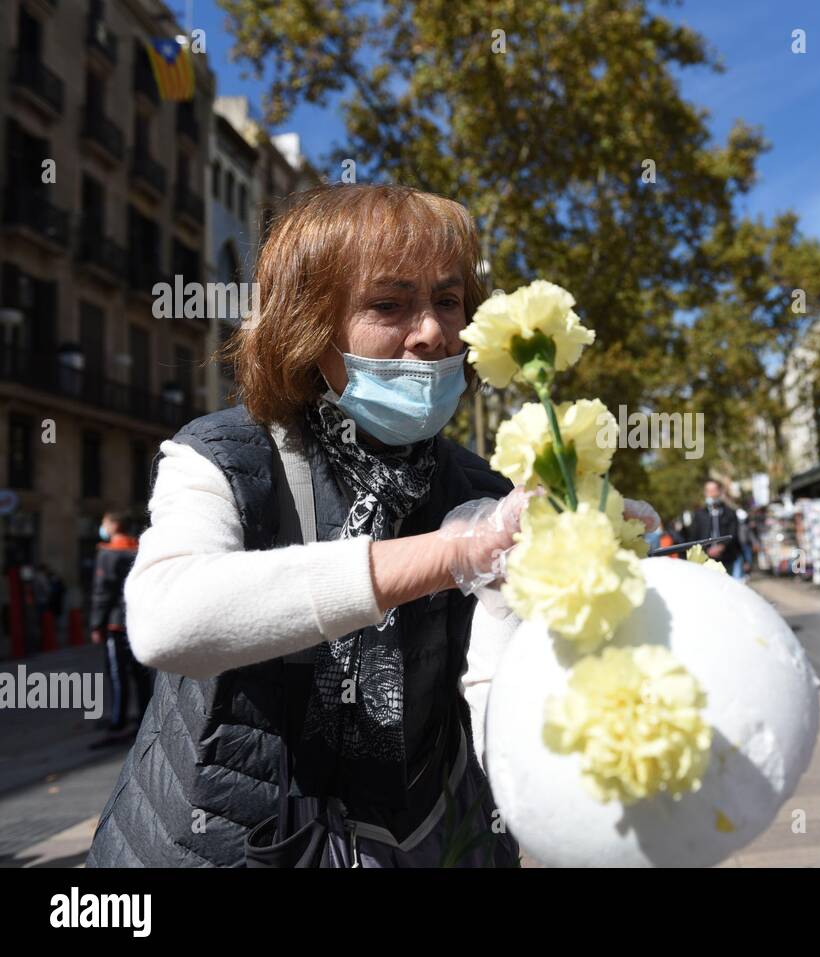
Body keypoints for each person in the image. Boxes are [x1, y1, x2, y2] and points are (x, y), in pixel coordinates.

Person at [85, 184, 656, 868]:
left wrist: (604, 585)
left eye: (447, 300)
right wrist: (449, 555)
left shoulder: (482, 490)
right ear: (309, 323)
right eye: (389, 304)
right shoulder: (218, 456)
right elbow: (168, 618)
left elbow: (494, 711)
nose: (432, 331)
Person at [89, 513, 149, 732]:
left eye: (104, 523)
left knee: (117, 673)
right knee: (140, 674)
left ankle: (118, 719)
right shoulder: (140, 548)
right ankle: (144, 716)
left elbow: (102, 592)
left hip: (116, 623)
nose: (102, 527)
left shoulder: (108, 553)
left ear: (113, 526)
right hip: (139, 619)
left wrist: (96, 624)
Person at [690, 480, 742, 580]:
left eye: (714, 490)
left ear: (719, 492)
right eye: (709, 491)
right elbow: (694, 537)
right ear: (705, 493)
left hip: (726, 558)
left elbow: (733, 534)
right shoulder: (699, 515)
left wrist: (722, 546)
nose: (712, 494)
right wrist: (706, 550)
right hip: (705, 559)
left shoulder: (730, 513)